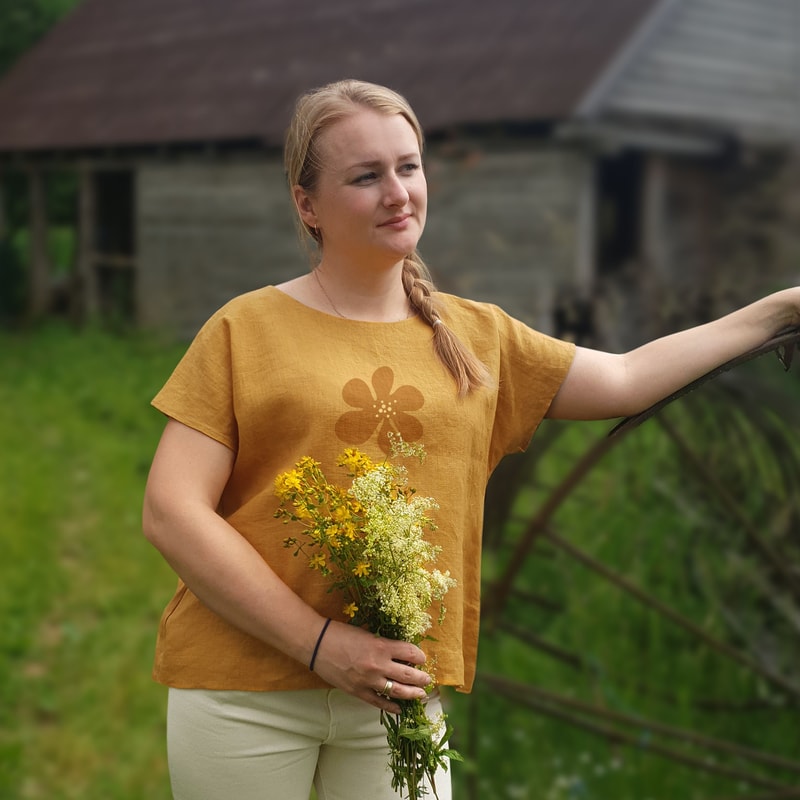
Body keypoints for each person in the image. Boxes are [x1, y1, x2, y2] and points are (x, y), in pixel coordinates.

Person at [142, 79, 800, 800]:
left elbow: (626, 379)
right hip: (245, 695)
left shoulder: (478, 335)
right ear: (307, 204)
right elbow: (173, 511)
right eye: (366, 176)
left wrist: (779, 310)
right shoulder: (245, 329)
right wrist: (321, 645)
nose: (398, 193)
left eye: (409, 166)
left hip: (398, 695)